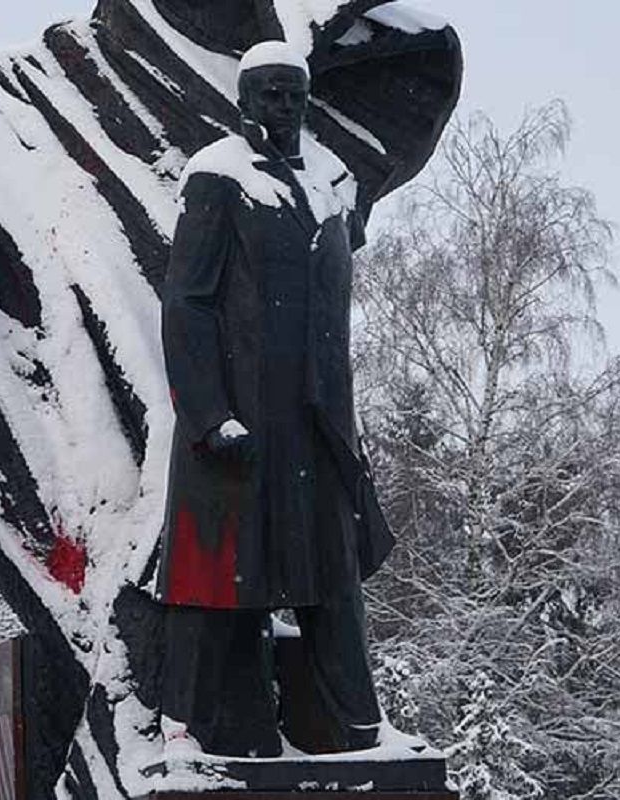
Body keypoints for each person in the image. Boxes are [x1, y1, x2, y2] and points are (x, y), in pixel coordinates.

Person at [157, 40, 394, 758]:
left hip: (317, 419)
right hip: (241, 417)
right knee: (229, 579)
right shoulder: (217, 178)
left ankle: (361, 730)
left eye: (295, 94)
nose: (284, 106)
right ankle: (207, 734)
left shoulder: (329, 183)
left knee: (333, 576)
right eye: (270, 92)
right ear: (244, 100)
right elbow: (188, 303)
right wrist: (209, 414)